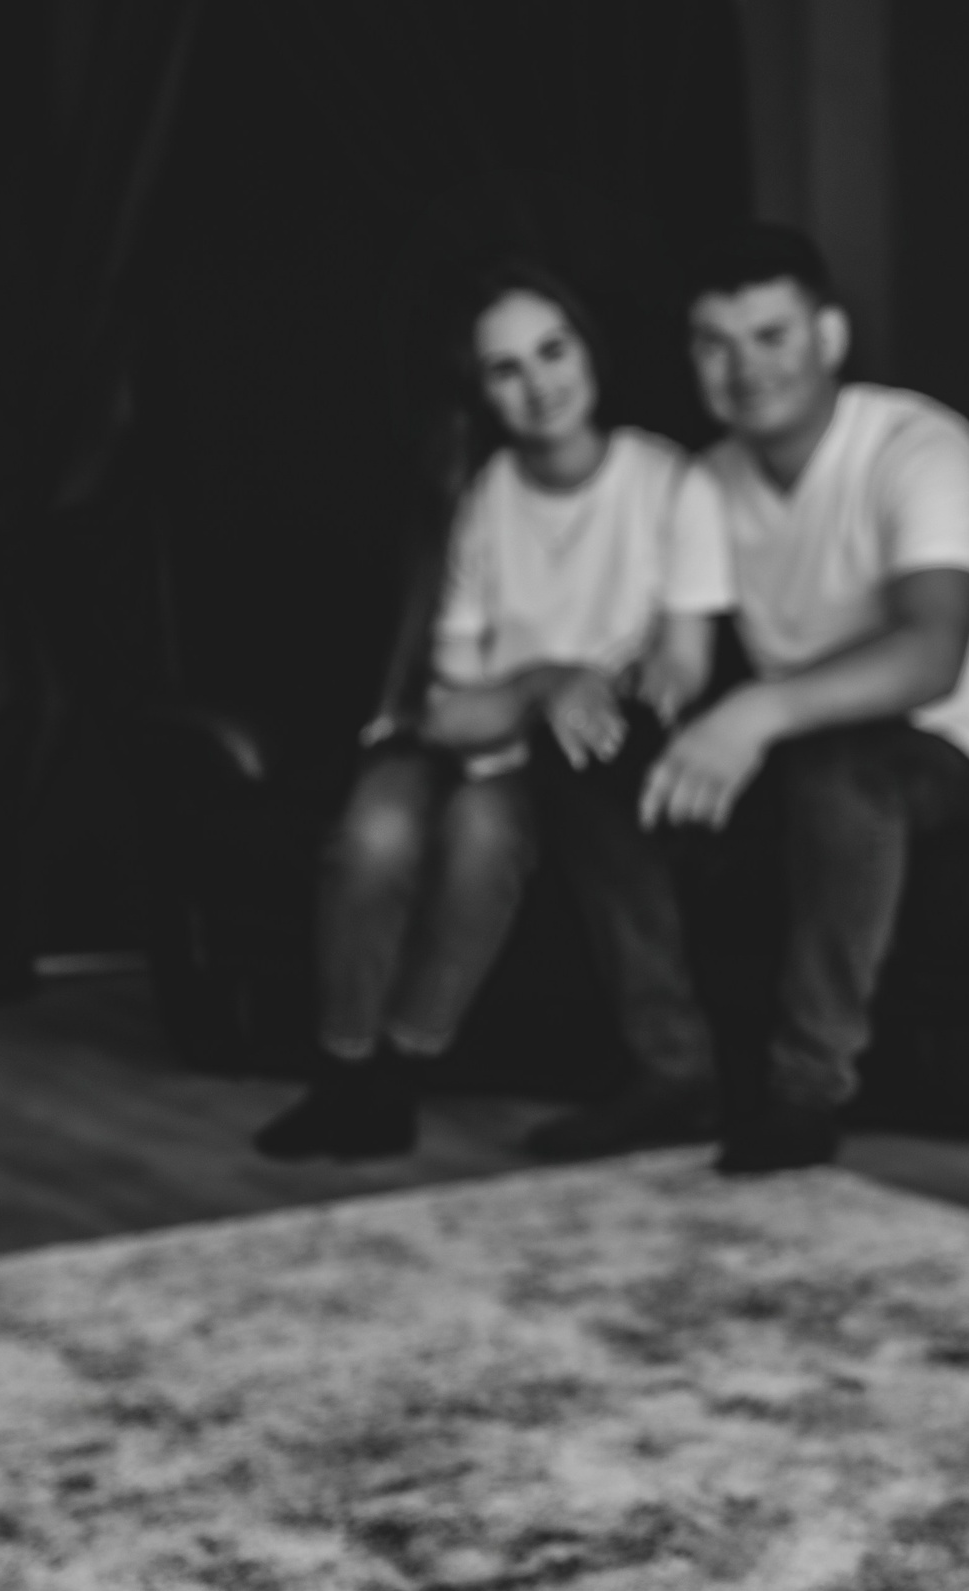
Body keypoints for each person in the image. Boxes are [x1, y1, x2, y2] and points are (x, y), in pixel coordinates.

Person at [540, 224, 969, 1175]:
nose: (744, 369)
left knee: (838, 763)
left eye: (771, 336)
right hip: (805, 745)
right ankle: (673, 1072)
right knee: (594, 765)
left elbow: (932, 653)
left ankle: (804, 1092)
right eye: (714, 344)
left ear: (828, 338)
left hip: (959, 753)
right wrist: (605, 688)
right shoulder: (708, 480)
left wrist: (755, 714)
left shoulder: (920, 448)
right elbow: (682, 658)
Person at [254, 262, 729, 1162]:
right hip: (466, 728)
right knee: (374, 837)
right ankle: (343, 1072)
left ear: (589, 352)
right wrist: (547, 680)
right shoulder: (481, 498)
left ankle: (400, 1073)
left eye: (553, 351)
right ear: (481, 390)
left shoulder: (671, 483)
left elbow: (683, 668)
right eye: (506, 369)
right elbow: (447, 707)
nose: (540, 384)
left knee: (480, 837)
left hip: (559, 754)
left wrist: (599, 693)